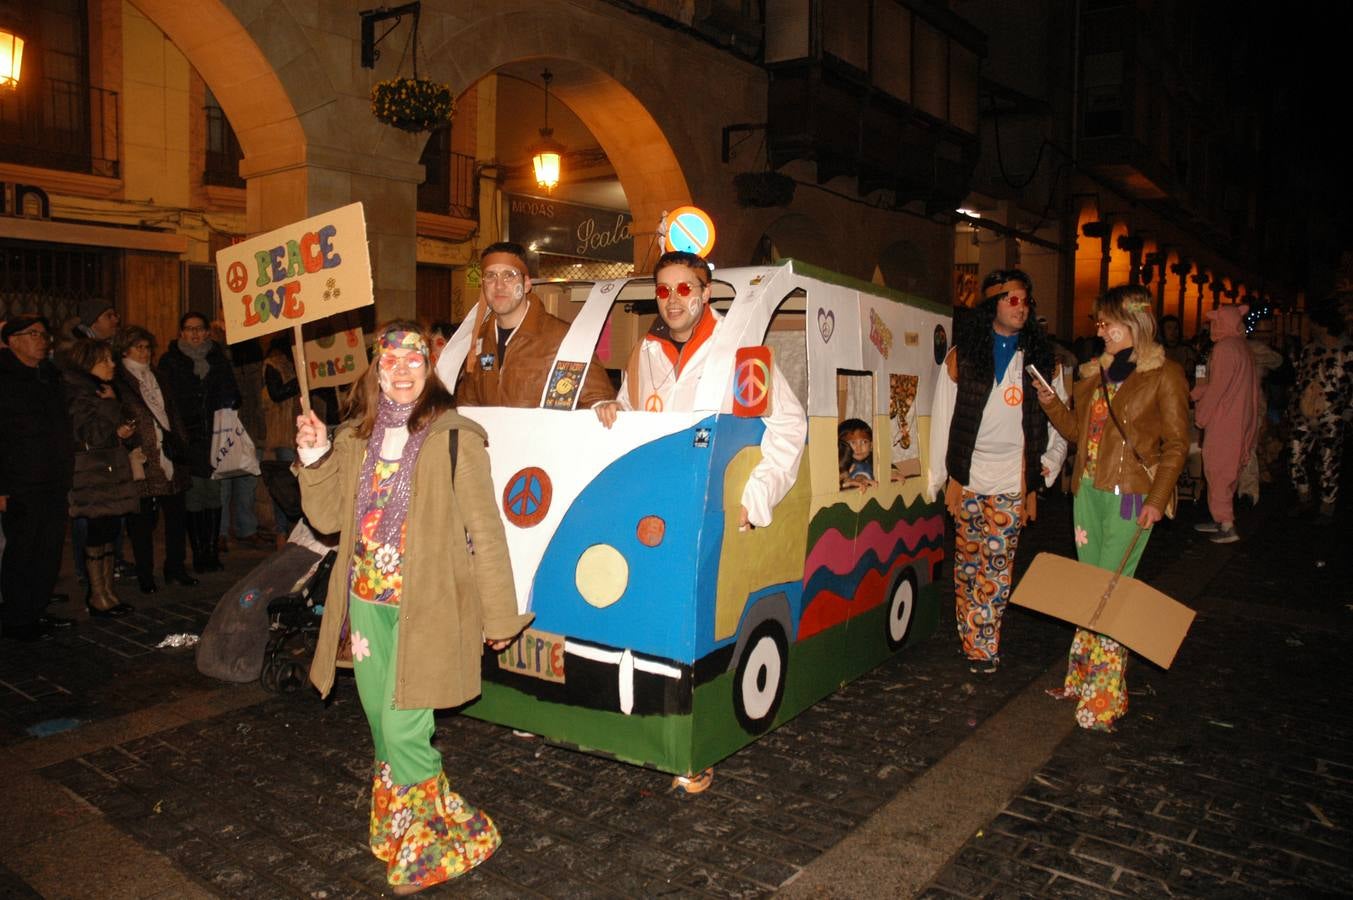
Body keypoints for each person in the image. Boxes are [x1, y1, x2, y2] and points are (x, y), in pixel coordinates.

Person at [295, 321, 531, 894]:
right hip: (366, 603)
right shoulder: (356, 437)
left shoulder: (455, 436)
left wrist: (498, 615)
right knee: (384, 722)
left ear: (429, 369)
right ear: (377, 370)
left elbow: (486, 531)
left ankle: (438, 847)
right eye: (391, 361)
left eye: (414, 360)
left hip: (429, 606)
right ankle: (404, 820)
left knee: (404, 725)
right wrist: (313, 453)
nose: (402, 371)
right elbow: (327, 520)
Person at [1035, 284, 1189, 732]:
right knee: (1091, 589)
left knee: (1111, 594)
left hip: (1132, 499)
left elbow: (1177, 445)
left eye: (1107, 323)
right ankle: (1082, 679)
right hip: (1088, 493)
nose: (1099, 331)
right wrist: (1050, 403)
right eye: (1098, 323)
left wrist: (1158, 500)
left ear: (1134, 323)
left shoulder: (1165, 375)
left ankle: (1105, 697)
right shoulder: (1093, 373)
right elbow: (1079, 433)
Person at [594, 250, 807, 530]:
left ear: (706, 293)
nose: (672, 300)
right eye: (663, 290)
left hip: (715, 511)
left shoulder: (741, 349)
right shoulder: (644, 351)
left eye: (684, 288)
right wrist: (616, 410)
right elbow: (631, 410)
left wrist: (755, 500)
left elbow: (790, 424)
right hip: (653, 506)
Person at [928, 269, 1067, 675]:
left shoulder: (1044, 360)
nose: (1020, 307)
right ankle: (972, 633)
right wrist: (939, 475)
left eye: (1025, 300)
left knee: (997, 563)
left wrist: (1049, 464)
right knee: (967, 562)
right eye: (1012, 300)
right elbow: (943, 417)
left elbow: (1061, 419)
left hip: (1013, 478)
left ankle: (983, 644)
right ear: (993, 305)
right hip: (969, 477)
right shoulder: (963, 355)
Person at [453, 242, 614, 409]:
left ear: (527, 284)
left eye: (509, 275)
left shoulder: (564, 338)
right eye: (491, 275)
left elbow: (598, 401)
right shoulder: (479, 340)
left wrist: (604, 406)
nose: (499, 285)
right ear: (483, 284)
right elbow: (468, 406)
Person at [0, 317, 76, 641]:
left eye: (44, 335)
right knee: (23, 550)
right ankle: (17, 619)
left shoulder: (49, 375)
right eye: (34, 334)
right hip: (20, 482)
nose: (42, 340)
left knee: (48, 550)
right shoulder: (4, 379)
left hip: (54, 479)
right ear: (13, 340)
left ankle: (37, 610)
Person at [115, 326, 198, 592]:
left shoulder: (158, 377)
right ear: (125, 350)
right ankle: (145, 574)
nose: (145, 352)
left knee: (176, 515)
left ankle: (175, 567)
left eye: (148, 347)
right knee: (141, 522)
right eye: (139, 347)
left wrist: (183, 446)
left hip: (170, 454)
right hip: (142, 456)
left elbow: (172, 412)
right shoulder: (118, 381)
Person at [63, 338, 140, 617]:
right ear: (88, 363)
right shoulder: (79, 394)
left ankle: (108, 591)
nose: (112, 365)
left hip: (108, 471)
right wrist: (111, 410)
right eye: (105, 360)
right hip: (91, 474)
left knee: (108, 532)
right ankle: (97, 595)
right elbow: (89, 435)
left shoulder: (102, 390)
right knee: (97, 533)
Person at [158, 312, 240, 573]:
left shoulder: (218, 359)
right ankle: (198, 553)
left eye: (199, 329)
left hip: (215, 436)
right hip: (187, 438)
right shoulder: (170, 361)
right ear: (181, 333)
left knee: (213, 494)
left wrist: (224, 405)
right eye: (188, 329)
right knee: (194, 496)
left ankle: (211, 550)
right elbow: (166, 401)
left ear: (207, 332)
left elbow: (232, 393)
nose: (194, 333)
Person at [1190, 306, 1261, 542]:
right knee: (1226, 471)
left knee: (1218, 469)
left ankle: (1227, 525)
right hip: (1240, 419)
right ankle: (1221, 519)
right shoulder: (1242, 347)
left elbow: (1218, 388)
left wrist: (1201, 414)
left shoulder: (1225, 348)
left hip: (1226, 421)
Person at [1287, 298, 1353, 522]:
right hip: (1304, 413)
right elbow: (1300, 380)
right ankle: (1304, 497)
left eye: (1312, 322)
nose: (1310, 327)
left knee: (1328, 460)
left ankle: (1327, 503)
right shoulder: (1309, 349)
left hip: (1332, 414)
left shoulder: (1347, 351)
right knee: (1295, 455)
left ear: (1321, 323)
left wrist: (1348, 411)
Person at [261, 334, 302, 544]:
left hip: (303, 430)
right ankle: (281, 531)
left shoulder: (303, 358)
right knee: (284, 484)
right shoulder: (274, 364)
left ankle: (298, 532)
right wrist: (302, 379)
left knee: (302, 484)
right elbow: (276, 394)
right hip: (285, 432)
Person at [838, 418, 877, 488]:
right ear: (841, 445)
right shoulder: (838, 463)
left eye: (864, 442)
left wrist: (891, 472)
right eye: (852, 443)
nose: (859, 448)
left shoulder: (874, 461)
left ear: (871, 445)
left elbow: (861, 472)